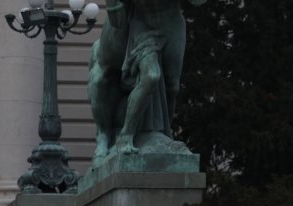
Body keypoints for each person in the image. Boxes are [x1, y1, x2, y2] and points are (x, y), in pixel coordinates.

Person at [88, 0, 206, 159]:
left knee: (173, 87)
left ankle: (165, 134)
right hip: (143, 25)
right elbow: (116, 19)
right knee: (151, 76)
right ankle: (124, 135)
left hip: (172, 25)